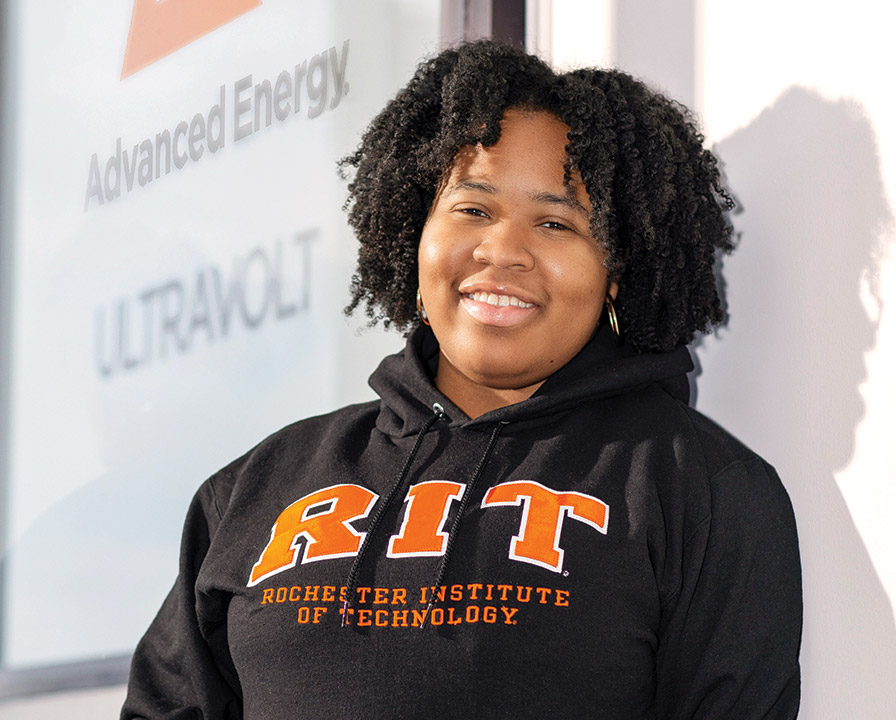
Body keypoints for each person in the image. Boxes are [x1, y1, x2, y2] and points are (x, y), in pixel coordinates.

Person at [120, 41, 802, 720]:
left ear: (617, 271)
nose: (502, 250)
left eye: (556, 222)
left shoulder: (700, 490)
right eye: (473, 210)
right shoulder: (256, 488)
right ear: (415, 233)